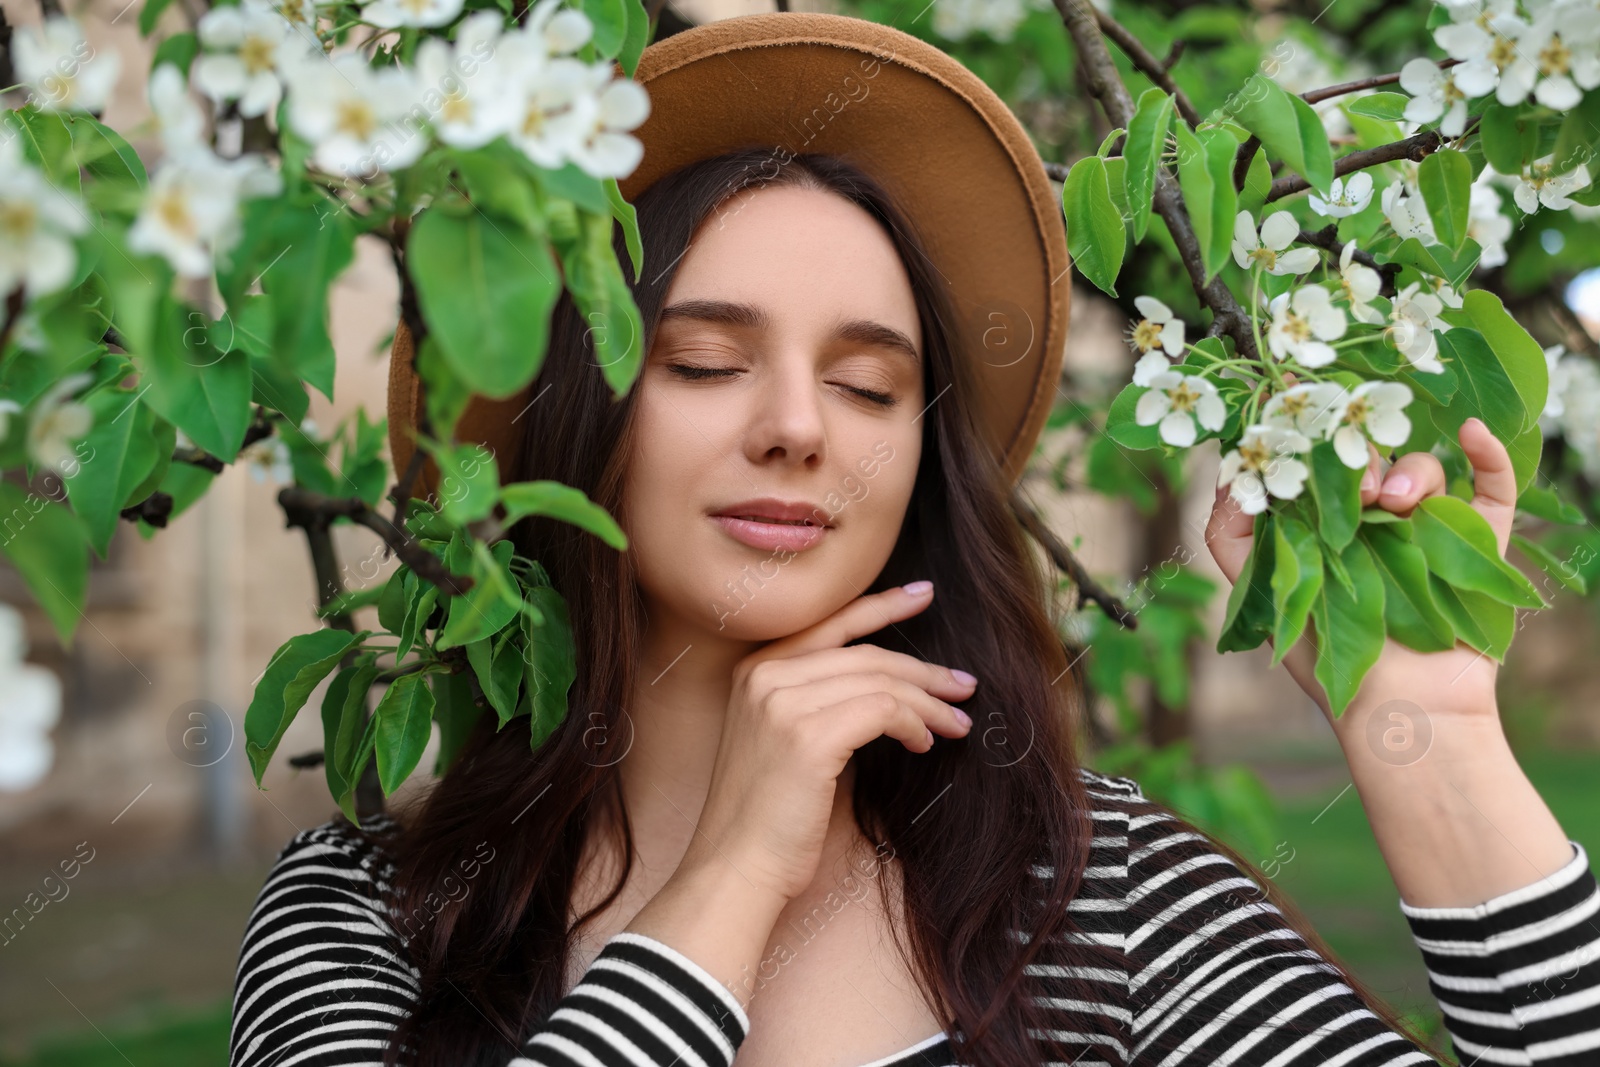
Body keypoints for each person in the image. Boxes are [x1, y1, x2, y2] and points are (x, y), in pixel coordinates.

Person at [230, 12, 1600, 1067]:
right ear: (569, 423)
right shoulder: (374, 917)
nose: (798, 429)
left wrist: (1431, 735)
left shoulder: (1089, 899)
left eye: (871, 385)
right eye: (705, 360)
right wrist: (732, 875)